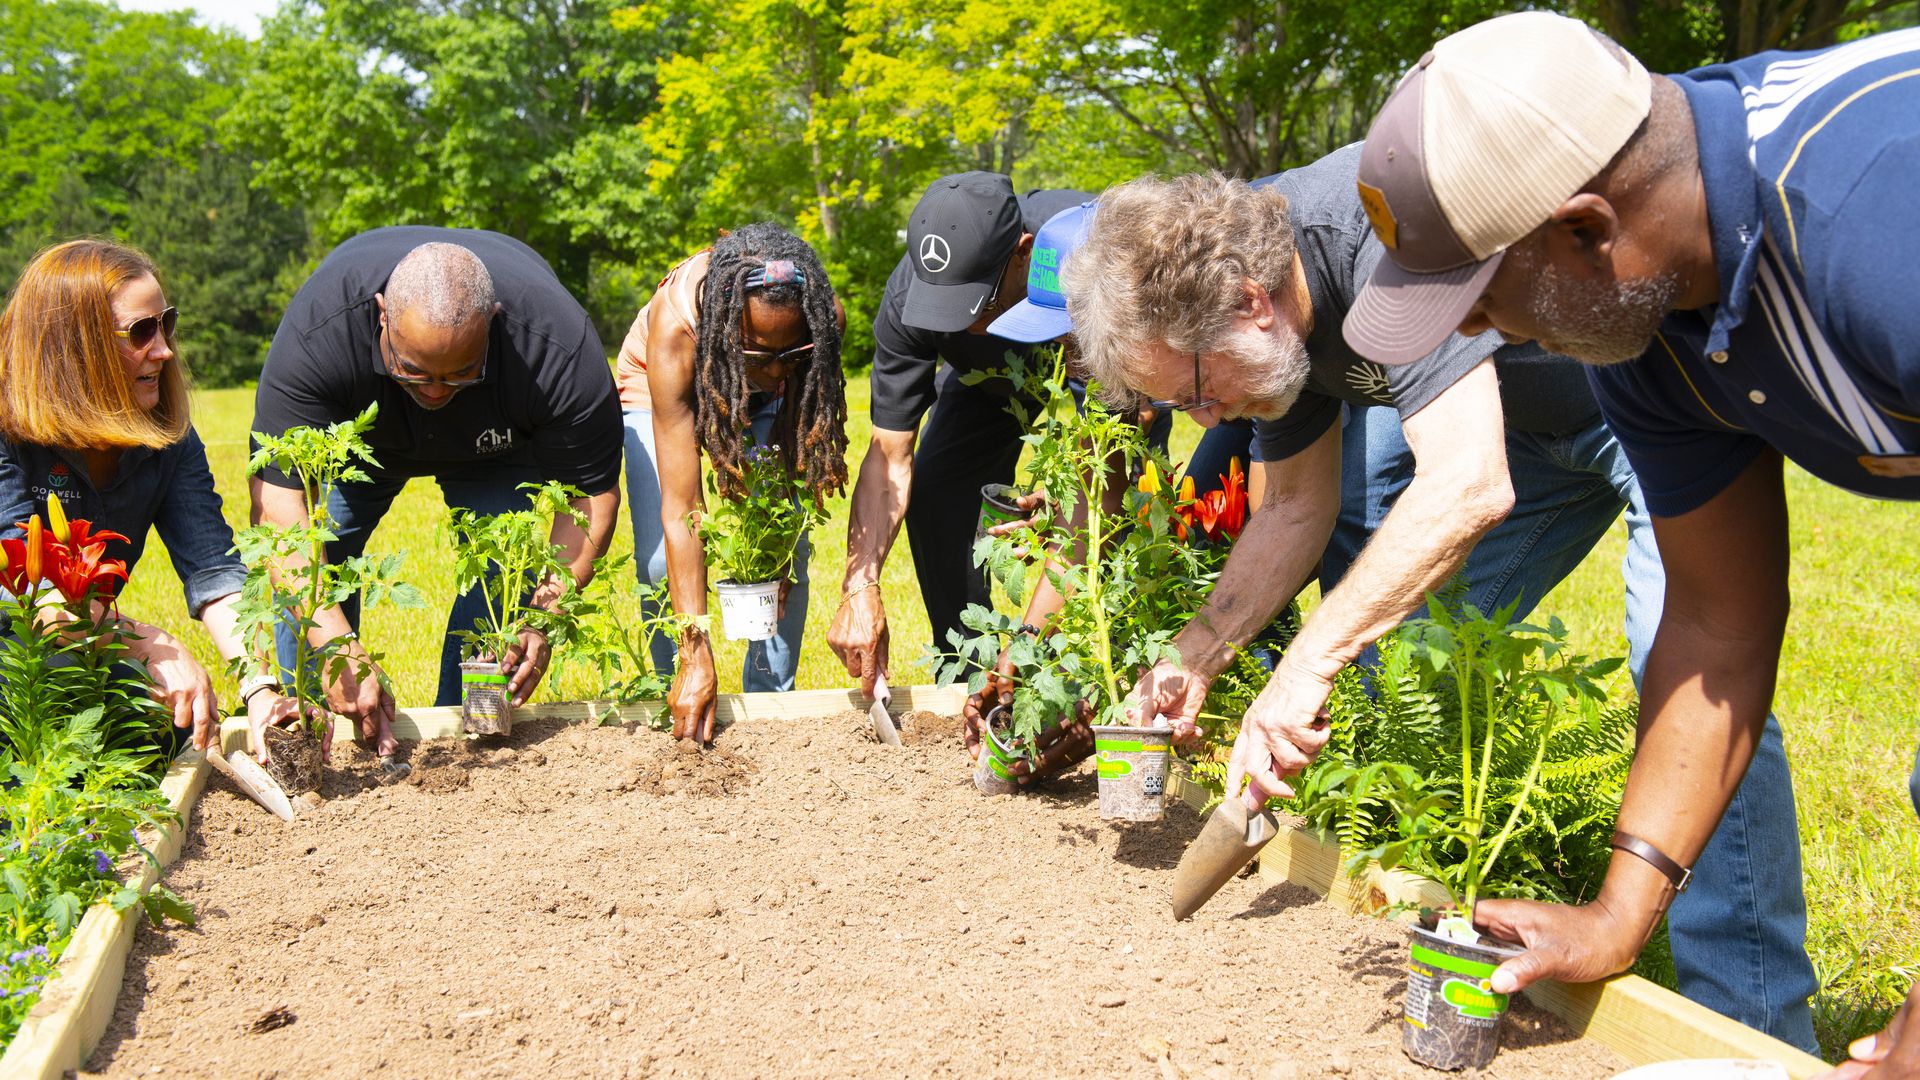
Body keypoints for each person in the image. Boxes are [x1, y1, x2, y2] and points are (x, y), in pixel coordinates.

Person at [1065, 156, 1818, 1051]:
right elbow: (1301, 504)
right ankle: (1440, 894)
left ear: (1249, 302)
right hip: (1527, 427)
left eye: (1192, 388)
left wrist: (1305, 660)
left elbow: (1467, 482)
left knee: (1684, 666)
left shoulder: (1382, 235)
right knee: (1405, 662)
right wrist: (1196, 653)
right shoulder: (1266, 328)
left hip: (1654, 400)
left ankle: (1753, 1028)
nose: (1199, 418)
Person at [1341, 13, 1920, 1072]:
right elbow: (1714, 620)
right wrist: (1620, 912)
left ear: (1586, 228)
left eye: (1479, 296)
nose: (1474, 334)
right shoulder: (1648, 335)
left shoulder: (1878, 216)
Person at [253, 227, 622, 756]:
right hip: (363, 438)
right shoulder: (322, 330)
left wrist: (543, 616)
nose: (433, 391)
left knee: (500, 570)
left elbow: (593, 500)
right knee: (319, 562)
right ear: (380, 315)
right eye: (414, 370)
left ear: (493, 326)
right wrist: (335, 648)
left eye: (459, 373)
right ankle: (308, 738)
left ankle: (469, 737)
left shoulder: (556, 345)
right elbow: (279, 509)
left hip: (495, 443)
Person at [0, 239, 308, 759]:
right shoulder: (9, 432)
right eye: (141, 332)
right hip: (18, 655)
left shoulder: (168, 438)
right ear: (73, 348)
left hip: (78, 644)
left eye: (166, 324)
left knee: (176, 729)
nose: (164, 349)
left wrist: (259, 688)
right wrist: (147, 644)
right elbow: (20, 592)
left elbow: (213, 567)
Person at [827, 172, 1091, 697]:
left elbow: (1127, 427)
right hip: (988, 386)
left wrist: (1068, 505)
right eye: (944, 306)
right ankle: (977, 673)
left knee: (1108, 519)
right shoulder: (909, 294)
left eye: (978, 303)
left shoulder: (1084, 261)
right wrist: (861, 583)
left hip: (1092, 372)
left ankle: (1087, 680)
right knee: (937, 497)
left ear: (1023, 254)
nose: (963, 320)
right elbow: (888, 459)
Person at [616, 223, 848, 742]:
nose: (774, 370)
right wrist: (697, 645)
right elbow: (683, 509)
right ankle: (678, 688)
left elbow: (795, 423)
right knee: (659, 562)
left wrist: (779, 548)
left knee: (784, 544)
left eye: (790, 354)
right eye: (759, 353)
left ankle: (768, 707)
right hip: (661, 382)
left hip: (751, 383)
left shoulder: (820, 323)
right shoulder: (678, 325)